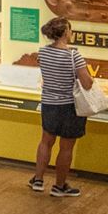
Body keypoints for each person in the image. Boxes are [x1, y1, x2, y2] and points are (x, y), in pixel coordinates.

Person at [18, 17, 94, 199]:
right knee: (66, 147)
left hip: (49, 104)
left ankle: (38, 179)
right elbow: (87, 83)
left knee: (46, 141)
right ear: (65, 32)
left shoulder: (43, 52)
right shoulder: (73, 55)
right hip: (69, 107)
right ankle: (59, 186)